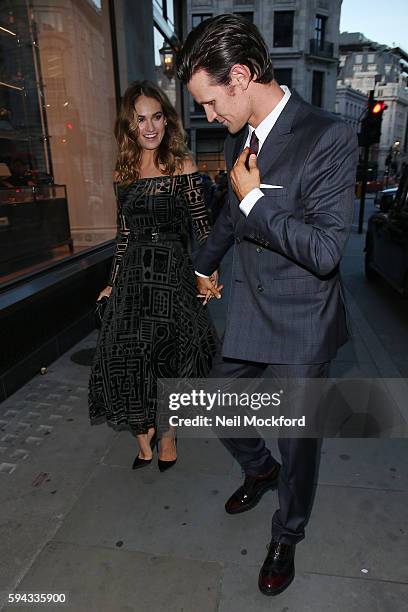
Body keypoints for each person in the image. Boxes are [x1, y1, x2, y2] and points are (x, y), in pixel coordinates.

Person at [177, 14, 358, 596]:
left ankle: (288, 532)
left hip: (304, 321)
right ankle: (259, 469)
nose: (208, 116)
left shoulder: (328, 135)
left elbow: (328, 250)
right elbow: (231, 217)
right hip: (251, 312)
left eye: (209, 102)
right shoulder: (239, 137)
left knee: (299, 445)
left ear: (241, 75)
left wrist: (256, 198)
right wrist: (204, 263)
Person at [88, 80, 219, 472]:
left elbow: (203, 228)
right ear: (129, 126)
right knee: (131, 358)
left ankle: (168, 435)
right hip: (133, 279)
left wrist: (208, 271)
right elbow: (124, 232)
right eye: (140, 119)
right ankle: (143, 432)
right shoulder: (123, 172)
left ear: (167, 119)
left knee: (169, 358)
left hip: (173, 274)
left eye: (156, 117)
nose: (149, 127)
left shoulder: (183, 165)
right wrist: (112, 279)